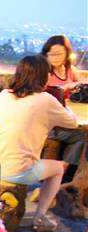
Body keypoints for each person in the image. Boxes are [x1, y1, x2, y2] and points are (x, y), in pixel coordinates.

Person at [0, 55, 78, 232]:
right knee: (59, 168)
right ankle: (40, 217)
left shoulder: (5, 95)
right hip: (19, 171)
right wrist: (65, 103)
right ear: (43, 76)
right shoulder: (45, 99)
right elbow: (73, 122)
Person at [41, 35, 86, 182]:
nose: (55, 58)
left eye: (59, 54)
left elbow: (81, 84)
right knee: (82, 136)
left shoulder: (69, 70)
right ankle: (63, 172)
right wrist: (65, 87)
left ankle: (63, 174)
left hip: (66, 116)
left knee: (81, 134)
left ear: (67, 54)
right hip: (50, 123)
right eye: (51, 54)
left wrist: (77, 86)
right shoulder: (43, 72)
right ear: (45, 54)